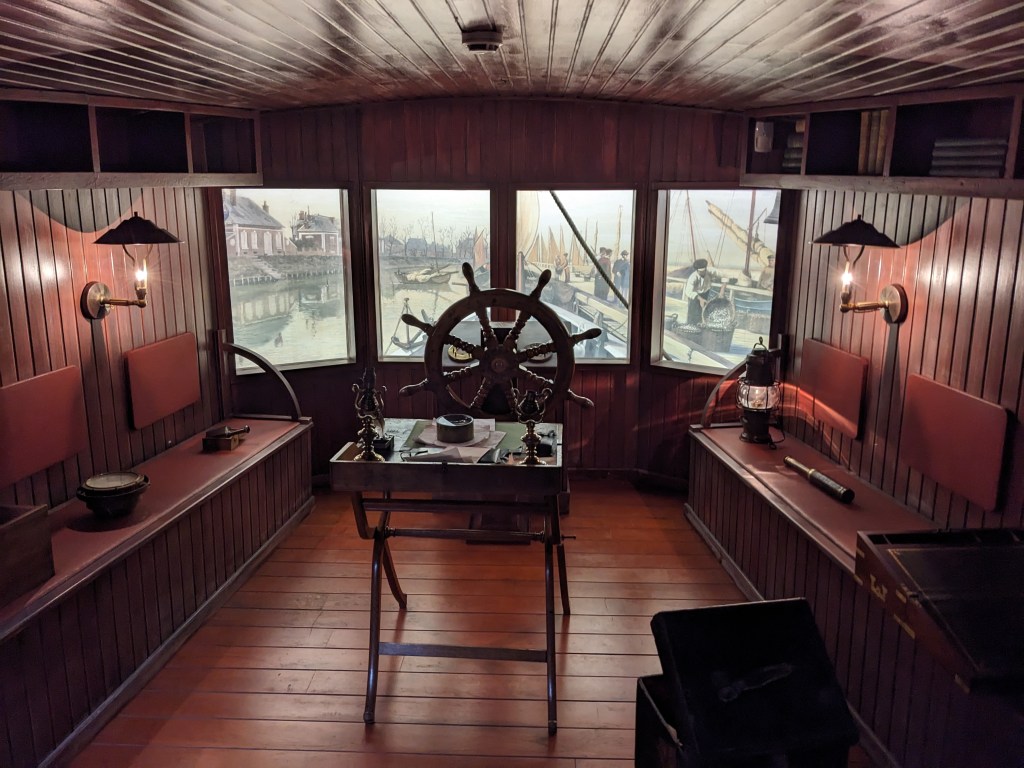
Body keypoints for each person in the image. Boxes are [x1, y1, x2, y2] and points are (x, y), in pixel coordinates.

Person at [684, 258, 715, 326]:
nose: (702, 273)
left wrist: (724, 282)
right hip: (694, 297)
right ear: (697, 270)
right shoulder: (693, 277)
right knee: (693, 316)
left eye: (704, 271)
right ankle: (691, 326)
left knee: (704, 315)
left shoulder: (710, 272)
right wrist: (700, 299)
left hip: (705, 295)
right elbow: (688, 291)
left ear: (706, 269)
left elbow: (723, 275)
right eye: (700, 272)